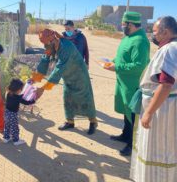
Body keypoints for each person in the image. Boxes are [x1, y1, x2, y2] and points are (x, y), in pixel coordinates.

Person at [130, 16, 177, 182]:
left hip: (161, 110)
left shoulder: (168, 50)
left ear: (165, 32)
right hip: (166, 106)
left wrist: (149, 112)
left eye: (155, 31)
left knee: (157, 149)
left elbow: (166, 84)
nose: (153, 35)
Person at [32, 29, 97, 135]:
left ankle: (93, 122)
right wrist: (35, 78)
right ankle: (70, 122)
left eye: (46, 44)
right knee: (68, 97)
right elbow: (45, 59)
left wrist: (43, 88)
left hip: (79, 74)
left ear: (53, 40)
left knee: (85, 98)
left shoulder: (66, 47)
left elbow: (58, 69)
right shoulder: (51, 46)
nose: (45, 47)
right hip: (68, 76)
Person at [104, 11, 150, 156]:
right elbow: (122, 57)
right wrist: (112, 61)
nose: (122, 26)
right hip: (123, 82)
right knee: (126, 111)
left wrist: (116, 67)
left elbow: (139, 65)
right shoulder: (129, 37)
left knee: (133, 114)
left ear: (130, 24)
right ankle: (125, 135)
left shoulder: (140, 41)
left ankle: (132, 144)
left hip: (132, 84)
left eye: (124, 24)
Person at [3, 79, 35, 146]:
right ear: (17, 89)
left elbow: (19, 96)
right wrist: (33, 101)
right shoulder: (18, 97)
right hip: (13, 114)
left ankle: (6, 138)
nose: (21, 90)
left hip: (6, 113)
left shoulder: (9, 93)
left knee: (7, 125)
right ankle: (16, 140)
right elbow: (26, 102)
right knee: (14, 127)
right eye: (21, 89)